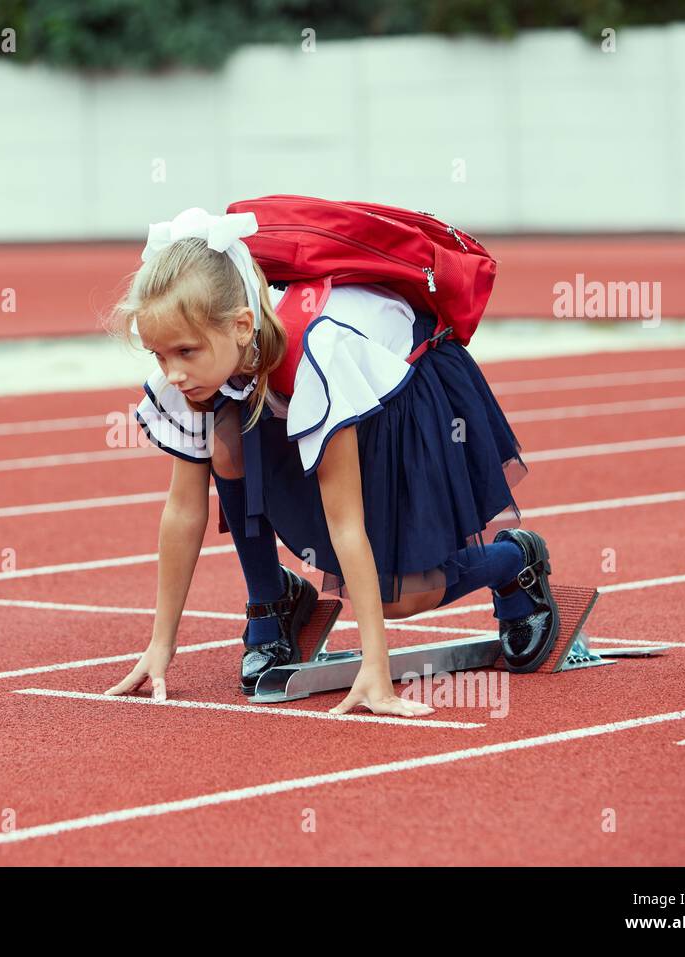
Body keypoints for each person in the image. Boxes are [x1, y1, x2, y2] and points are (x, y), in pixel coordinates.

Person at [103, 207, 557, 717]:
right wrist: (161, 645)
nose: (174, 373)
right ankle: (271, 603)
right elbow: (184, 511)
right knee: (225, 436)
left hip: (400, 396)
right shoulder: (200, 367)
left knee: (401, 599)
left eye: (185, 352)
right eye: (160, 357)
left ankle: (515, 562)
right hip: (279, 383)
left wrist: (375, 670)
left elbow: (345, 523)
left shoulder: (318, 357)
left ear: (241, 326)